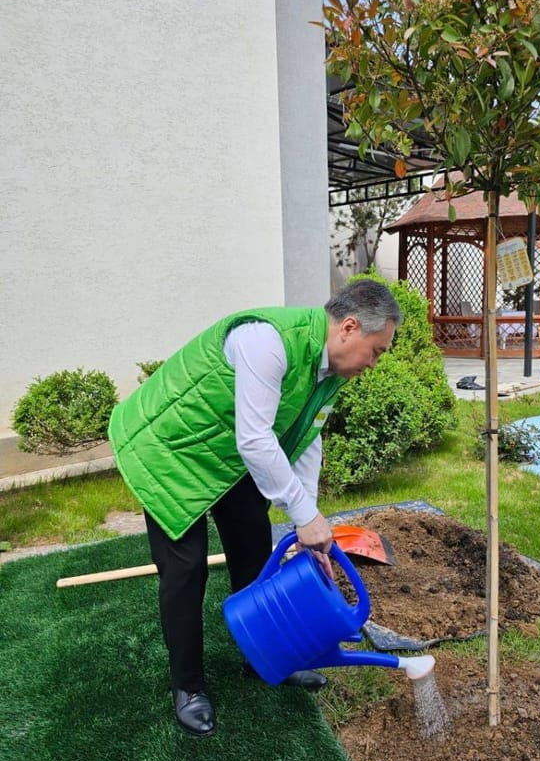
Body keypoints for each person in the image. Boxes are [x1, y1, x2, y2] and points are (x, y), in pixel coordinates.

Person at [108, 279, 401, 737]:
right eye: (378, 351)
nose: (376, 363)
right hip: (170, 448)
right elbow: (255, 439)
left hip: (227, 451)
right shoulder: (268, 341)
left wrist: (309, 517)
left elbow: (306, 439)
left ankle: (263, 655)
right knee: (186, 570)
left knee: (252, 548)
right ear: (348, 328)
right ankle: (188, 686)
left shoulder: (330, 371)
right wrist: (305, 517)